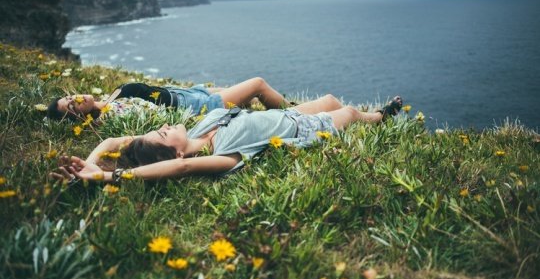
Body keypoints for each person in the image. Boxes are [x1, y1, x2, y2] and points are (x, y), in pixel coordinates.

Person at [51, 95, 403, 183]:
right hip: (302, 130)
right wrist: (113, 177)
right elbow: (182, 169)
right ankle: (380, 119)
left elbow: (114, 139)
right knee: (352, 112)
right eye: (163, 132)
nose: (167, 125)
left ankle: (359, 118)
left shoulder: (202, 126)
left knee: (329, 99)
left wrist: (94, 163)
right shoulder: (220, 155)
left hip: (288, 115)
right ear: (174, 150)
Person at [46, 77, 290, 121]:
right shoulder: (112, 114)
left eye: (69, 96)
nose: (75, 97)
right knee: (257, 85)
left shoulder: (108, 100)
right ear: (78, 116)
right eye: (71, 104)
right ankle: (296, 114)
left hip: (190, 93)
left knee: (245, 98)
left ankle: (282, 108)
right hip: (195, 106)